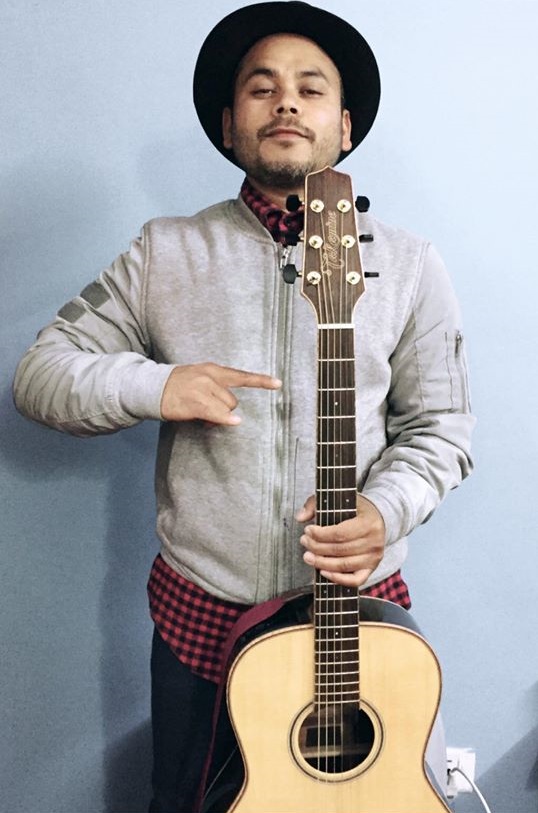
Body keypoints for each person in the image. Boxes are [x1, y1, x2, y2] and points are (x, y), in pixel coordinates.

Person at [13, 2, 475, 811]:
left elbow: (442, 428)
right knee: (184, 800)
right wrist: (157, 385)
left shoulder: (410, 264)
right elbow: (40, 374)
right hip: (201, 612)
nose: (286, 101)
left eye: (311, 88)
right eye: (261, 88)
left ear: (344, 125)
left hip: (355, 617)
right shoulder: (163, 251)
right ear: (230, 126)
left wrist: (386, 507)